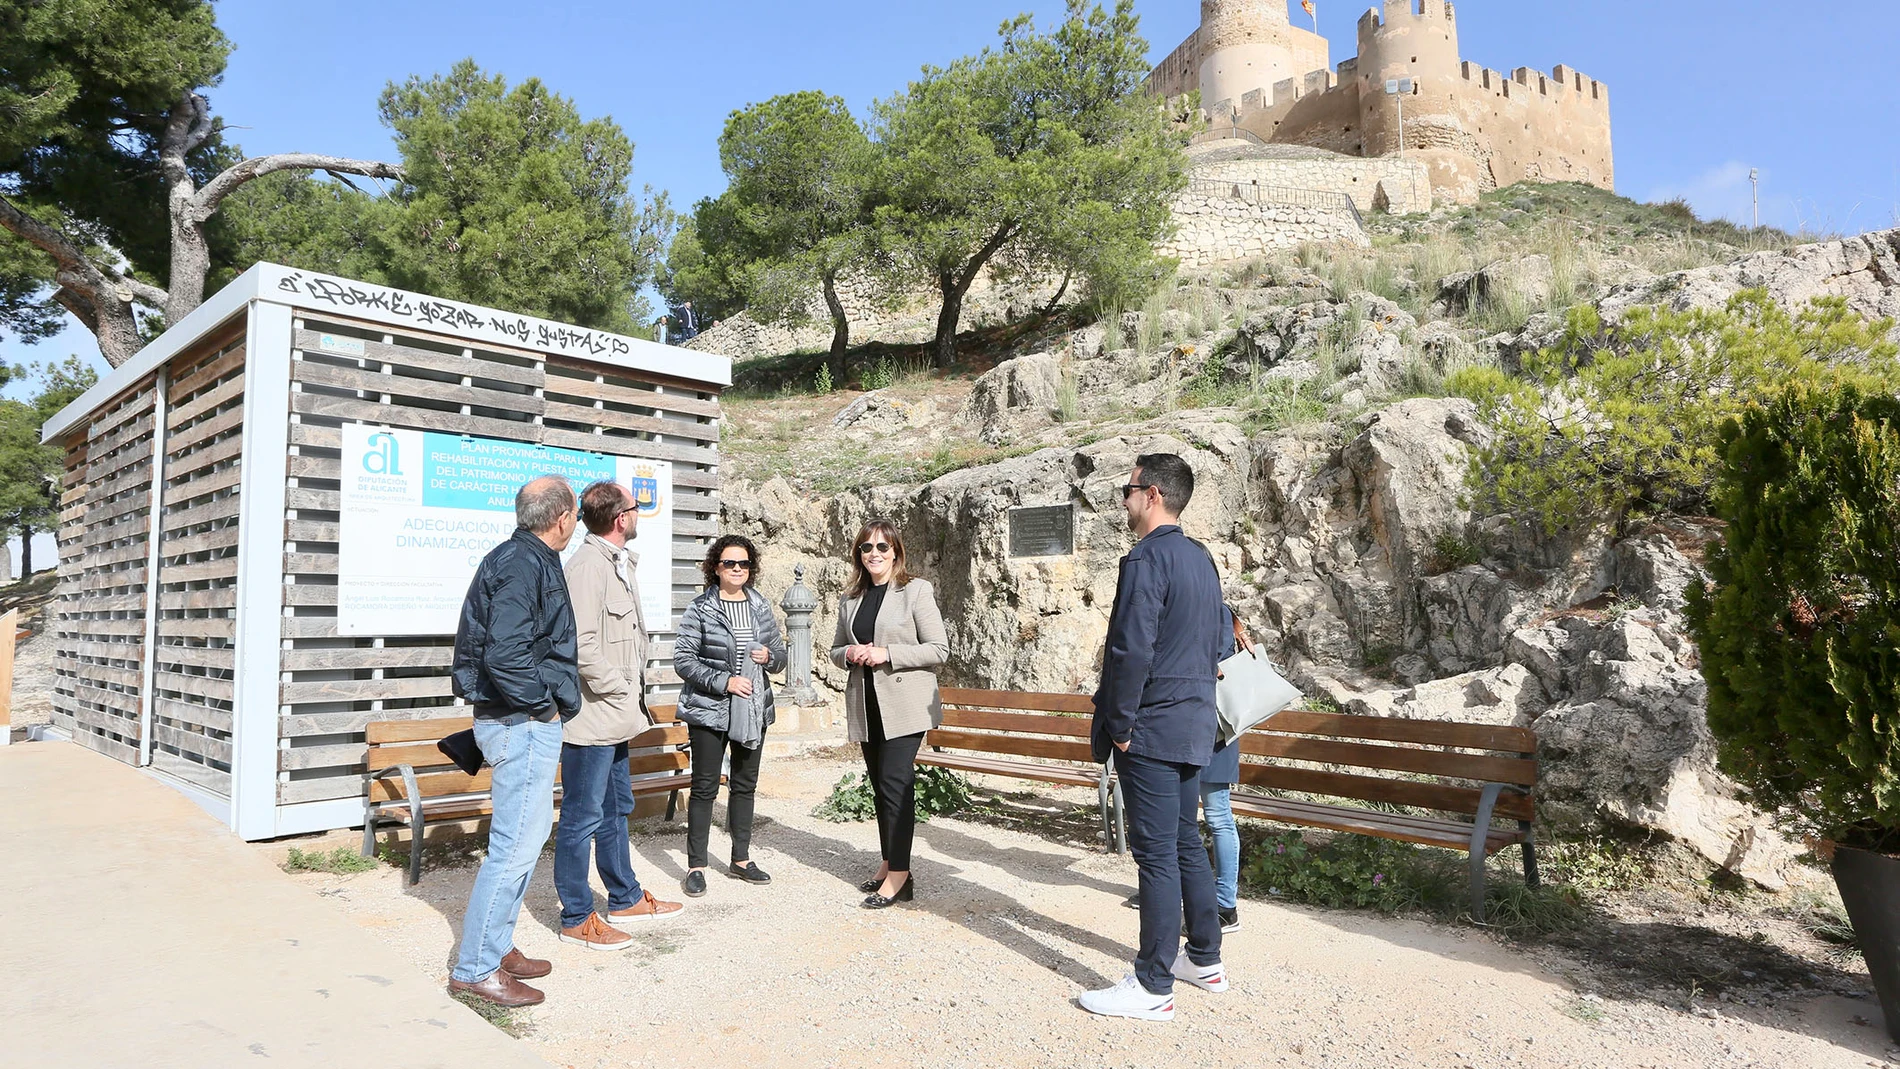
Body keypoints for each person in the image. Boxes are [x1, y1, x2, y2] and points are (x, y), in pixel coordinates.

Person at [1080, 454, 1229, 1022]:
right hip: (1193, 722)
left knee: (1157, 854)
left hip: (1151, 726)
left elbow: (1129, 650)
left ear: (1154, 494)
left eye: (1129, 488)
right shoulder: (1200, 559)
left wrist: (1119, 725)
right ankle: (1204, 959)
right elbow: (1219, 642)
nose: (1124, 499)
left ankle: (1152, 985)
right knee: (1186, 842)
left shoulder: (1145, 559)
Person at [446, 476, 584, 1008]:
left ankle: (497, 945)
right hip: (521, 721)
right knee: (514, 846)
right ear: (564, 517)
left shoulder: (525, 558)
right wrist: (543, 705)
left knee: (524, 841)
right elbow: (505, 654)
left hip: (520, 719)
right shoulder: (522, 563)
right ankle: (476, 966)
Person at [556, 481, 685, 952]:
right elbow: (581, 646)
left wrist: (626, 698)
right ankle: (575, 915)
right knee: (581, 817)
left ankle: (624, 896)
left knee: (615, 808)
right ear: (620, 518)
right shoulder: (588, 567)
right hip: (594, 716)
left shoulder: (615, 561)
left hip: (616, 716)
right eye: (635, 508)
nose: (638, 515)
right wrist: (619, 689)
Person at [829, 519, 948, 909]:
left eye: (882, 547)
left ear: (896, 550)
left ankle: (900, 877)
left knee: (896, 786)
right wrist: (849, 654)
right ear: (858, 555)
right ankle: (888, 862)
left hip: (905, 706)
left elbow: (938, 649)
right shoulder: (851, 598)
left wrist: (886, 654)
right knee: (881, 787)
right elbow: (835, 650)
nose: (874, 554)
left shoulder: (916, 590)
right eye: (866, 548)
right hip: (866, 705)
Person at [673, 534, 788, 897]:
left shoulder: (761, 607)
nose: (737, 569)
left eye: (744, 564)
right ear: (716, 567)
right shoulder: (700, 608)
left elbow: (781, 655)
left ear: (751, 568)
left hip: (754, 709)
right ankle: (696, 865)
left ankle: (740, 859)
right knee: (705, 787)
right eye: (729, 563)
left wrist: (770, 659)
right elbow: (683, 661)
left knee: (745, 785)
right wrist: (725, 682)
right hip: (709, 710)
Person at [1122, 603, 1245, 934]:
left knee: (1218, 817)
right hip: (1186, 728)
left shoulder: (1214, 610)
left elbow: (1214, 664)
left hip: (1213, 728)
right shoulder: (1179, 610)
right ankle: (1175, 894)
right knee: (1180, 819)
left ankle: (1225, 905)